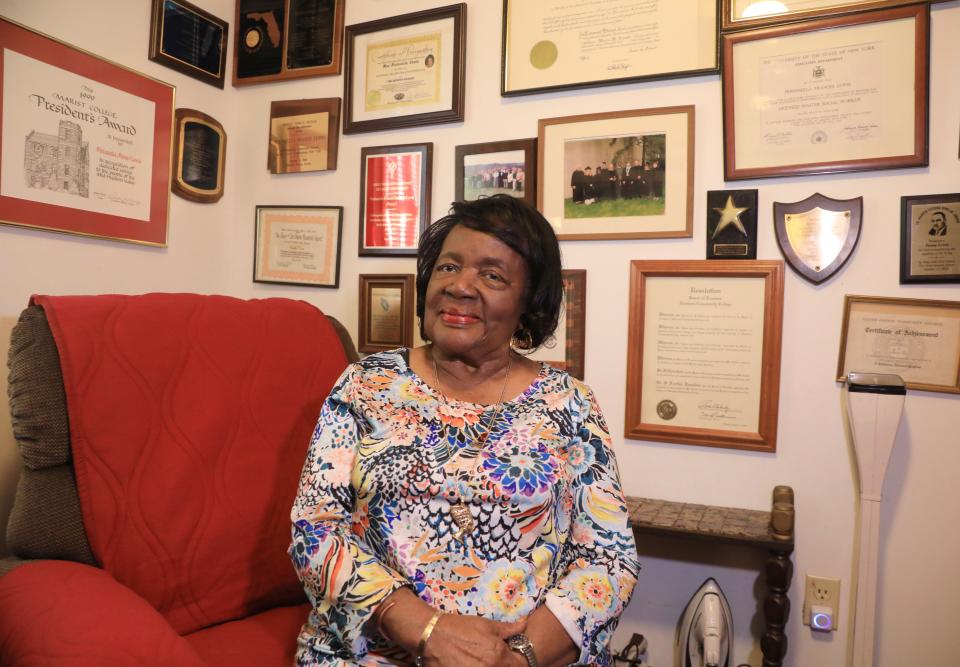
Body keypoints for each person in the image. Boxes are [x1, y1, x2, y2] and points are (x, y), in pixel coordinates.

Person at [290, 194, 639, 666]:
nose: (460, 286)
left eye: (492, 275)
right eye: (448, 267)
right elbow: (316, 529)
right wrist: (426, 629)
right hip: (374, 653)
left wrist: (518, 658)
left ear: (528, 302)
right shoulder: (364, 385)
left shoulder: (570, 403)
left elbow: (607, 560)